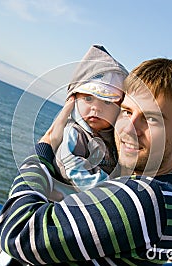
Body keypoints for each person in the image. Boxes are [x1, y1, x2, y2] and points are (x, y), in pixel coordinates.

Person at [0, 56, 172, 265]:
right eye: (126, 111)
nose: (128, 128)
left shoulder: (143, 199)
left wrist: (45, 148)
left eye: (151, 119)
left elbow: (18, 234)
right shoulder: (170, 196)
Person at [53, 45, 128, 194]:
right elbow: (72, 168)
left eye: (107, 102)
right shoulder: (75, 133)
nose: (96, 108)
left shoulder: (114, 138)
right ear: (74, 98)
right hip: (67, 203)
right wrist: (112, 190)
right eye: (88, 98)